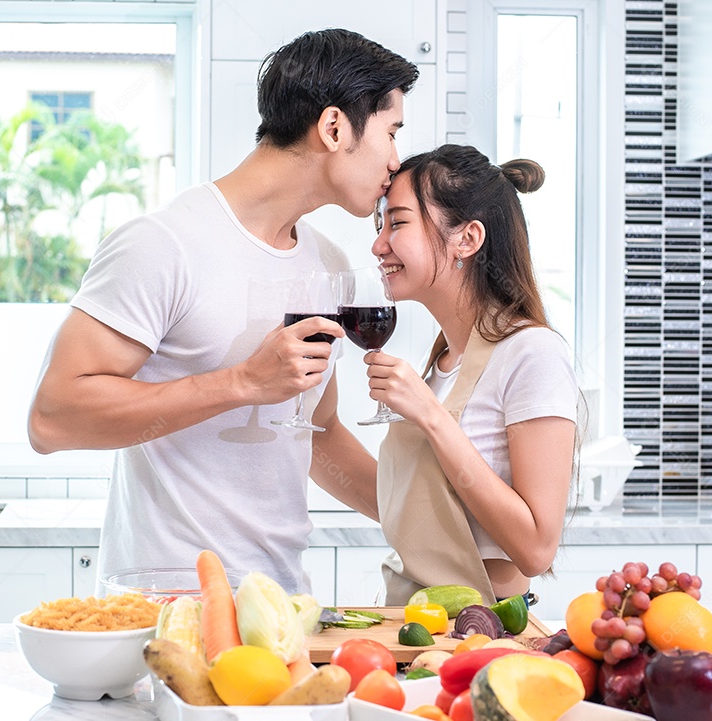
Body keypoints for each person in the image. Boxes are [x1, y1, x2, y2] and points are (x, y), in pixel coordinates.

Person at [28, 29, 419, 593]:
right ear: (334, 128)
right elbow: (52, 420)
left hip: (282, 600)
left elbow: (321, 432)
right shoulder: (163, 243)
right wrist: (240, 383)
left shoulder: (326, 262)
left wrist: (428, 521)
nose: (396, 160)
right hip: (167, 604)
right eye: (391, 132)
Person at [362, 144, 578, 605]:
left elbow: (536, 549)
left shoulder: (531, 353)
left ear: (467, 239)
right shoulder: (441, 361)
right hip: (415, 624)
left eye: (397, 222)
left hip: (481, 637)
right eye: (379, 225)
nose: (379, 244)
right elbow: (417, 505)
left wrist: (430, 415)